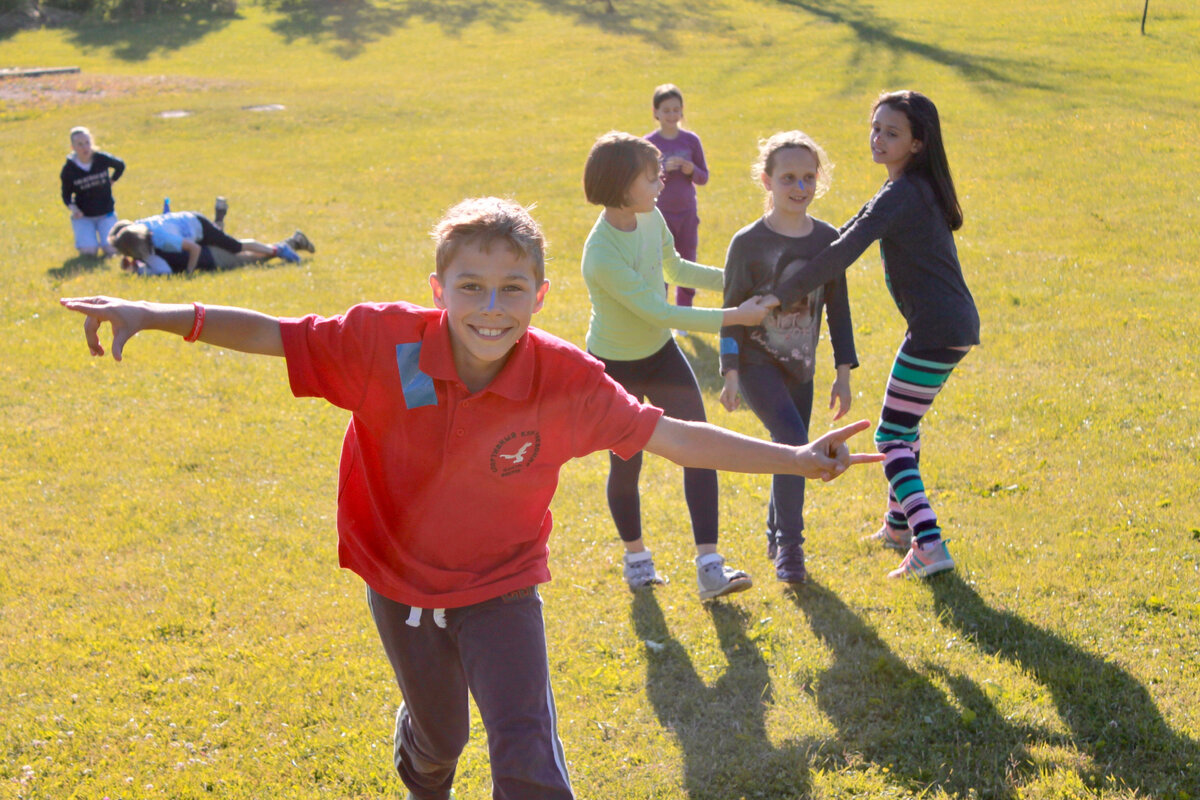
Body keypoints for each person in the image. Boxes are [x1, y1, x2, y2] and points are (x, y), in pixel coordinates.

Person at [61, 196, 882, 800]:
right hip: (399, 576)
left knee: (525, 751)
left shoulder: (563, 380)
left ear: (540, 294)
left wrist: (795, 458)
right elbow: (275, 332)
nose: (491, 308)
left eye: (511, 288)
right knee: (441, 741)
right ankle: (420, 760)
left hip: (502, 582)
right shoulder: (384, 342)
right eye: (472, 287)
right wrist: (157, 310)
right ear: (440, 287)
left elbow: (670, 434)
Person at [766, 91, 980, 580]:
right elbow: (852, 229)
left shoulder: (905, 193)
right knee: (905, 428)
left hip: (936, 331)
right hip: (944, 329)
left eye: (892, 133)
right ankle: (898, 526)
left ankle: (929, 543)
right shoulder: (907, 187)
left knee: (890, 435)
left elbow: (847, 250)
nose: (878, 138)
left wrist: (781, 292)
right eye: (876, 128)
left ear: (918, 143)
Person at [581, 131, 779, 600]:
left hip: (660, 352)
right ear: (621, 184)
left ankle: (710, 566)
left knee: (701, 446)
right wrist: (738, 315)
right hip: (615, 365)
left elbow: (677, 269)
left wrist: (739, 282)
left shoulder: (650, 219)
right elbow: (661, 310)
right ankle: (637, 560)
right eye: (651, 179)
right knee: (626, 463)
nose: (661, 185)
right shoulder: (601, 254)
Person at [719, 131, 859, 585]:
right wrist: (731, 373)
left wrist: (842, 374)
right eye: (788, 178)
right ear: (767, 181)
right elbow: (731, 313)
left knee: (788, 450)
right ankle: (791, 550)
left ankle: (774, 531)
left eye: (808, 178)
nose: (799, 187)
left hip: (803, 368)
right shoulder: (748, 243)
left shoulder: (828, 239)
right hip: (759, 364)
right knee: (797, 442)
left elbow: (838, 308)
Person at [645, 84, 709, 310]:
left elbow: (704, 177)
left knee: (687, 261)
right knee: (658, 263)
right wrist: (663, 168)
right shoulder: (649, 143)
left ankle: (685, 311)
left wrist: (691, 169)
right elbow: (642, 179)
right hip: (659, 214)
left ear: (682, 112)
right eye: (666, 110)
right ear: (656, 112)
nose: (671, 115)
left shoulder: (691, 141)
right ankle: (661, 309)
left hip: (687, 214)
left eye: (676, 110)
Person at [108, 211, 310, 275]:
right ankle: (287, 244)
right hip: (193, 227)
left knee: (237, 247)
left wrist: (189, 272)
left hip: (199, 229)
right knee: (236, 251)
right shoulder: (141, 228)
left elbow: (194, 248)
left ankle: (279, 248)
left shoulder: (162, 239)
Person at [59, 126, 125, 258]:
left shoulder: (101, 159)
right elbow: (66, 195)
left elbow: (120, 165)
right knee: (89, 252)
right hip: (84, 216)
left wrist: (112, 180)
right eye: (80, 144)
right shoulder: (69, 170)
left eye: (87, 143)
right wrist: (74, 209)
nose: (85, 147)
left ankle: (105, 241)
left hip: (106, 213)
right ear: (73, 147)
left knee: (112, 249)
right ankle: (88, 242)